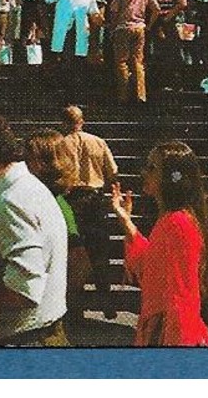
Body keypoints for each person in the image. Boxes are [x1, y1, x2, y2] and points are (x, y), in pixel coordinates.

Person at [0, 108, 68, 346]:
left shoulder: (11, 201)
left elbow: (22, 293)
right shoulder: (24, 187)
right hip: (41, 333)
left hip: (26, 342)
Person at [110, 141, 208, 346]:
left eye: (152, 168)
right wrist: (126, 221)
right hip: (161, 328)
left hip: (170, 335)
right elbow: (150, 266)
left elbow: (180, 297)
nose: (145, 172)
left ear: (172, 178)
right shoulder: (170, 220)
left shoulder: (177, 223)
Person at [24, 129, 89, 315]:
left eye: (29, 159)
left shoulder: (55, 203)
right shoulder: (51, 199)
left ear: (45, 162)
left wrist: (56, 295)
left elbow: (80, 260)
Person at [61, 106, 121, 293]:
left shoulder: (61, 144)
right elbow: (113, 171)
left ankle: (76, 298)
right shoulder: (98, 142)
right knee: (99, 247)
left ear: (63, 123)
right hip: (95, 197)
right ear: (82, 121)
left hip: (73, 198)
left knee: (74, 247)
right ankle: (105, 293)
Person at [106, 0, 158, 105]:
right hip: (139, 27)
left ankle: (123, 95)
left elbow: (114, 11)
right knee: (138, 62)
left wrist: (112, 27)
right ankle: (140, 94)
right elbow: (156, 8)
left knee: (122, 62)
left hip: (123, 27)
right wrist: (148, 25)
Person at [46, 0, 101, 71]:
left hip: (80, 30)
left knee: (78, 61)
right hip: (63, 29)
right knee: (62, 58)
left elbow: (94, 12)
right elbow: (48, 2)